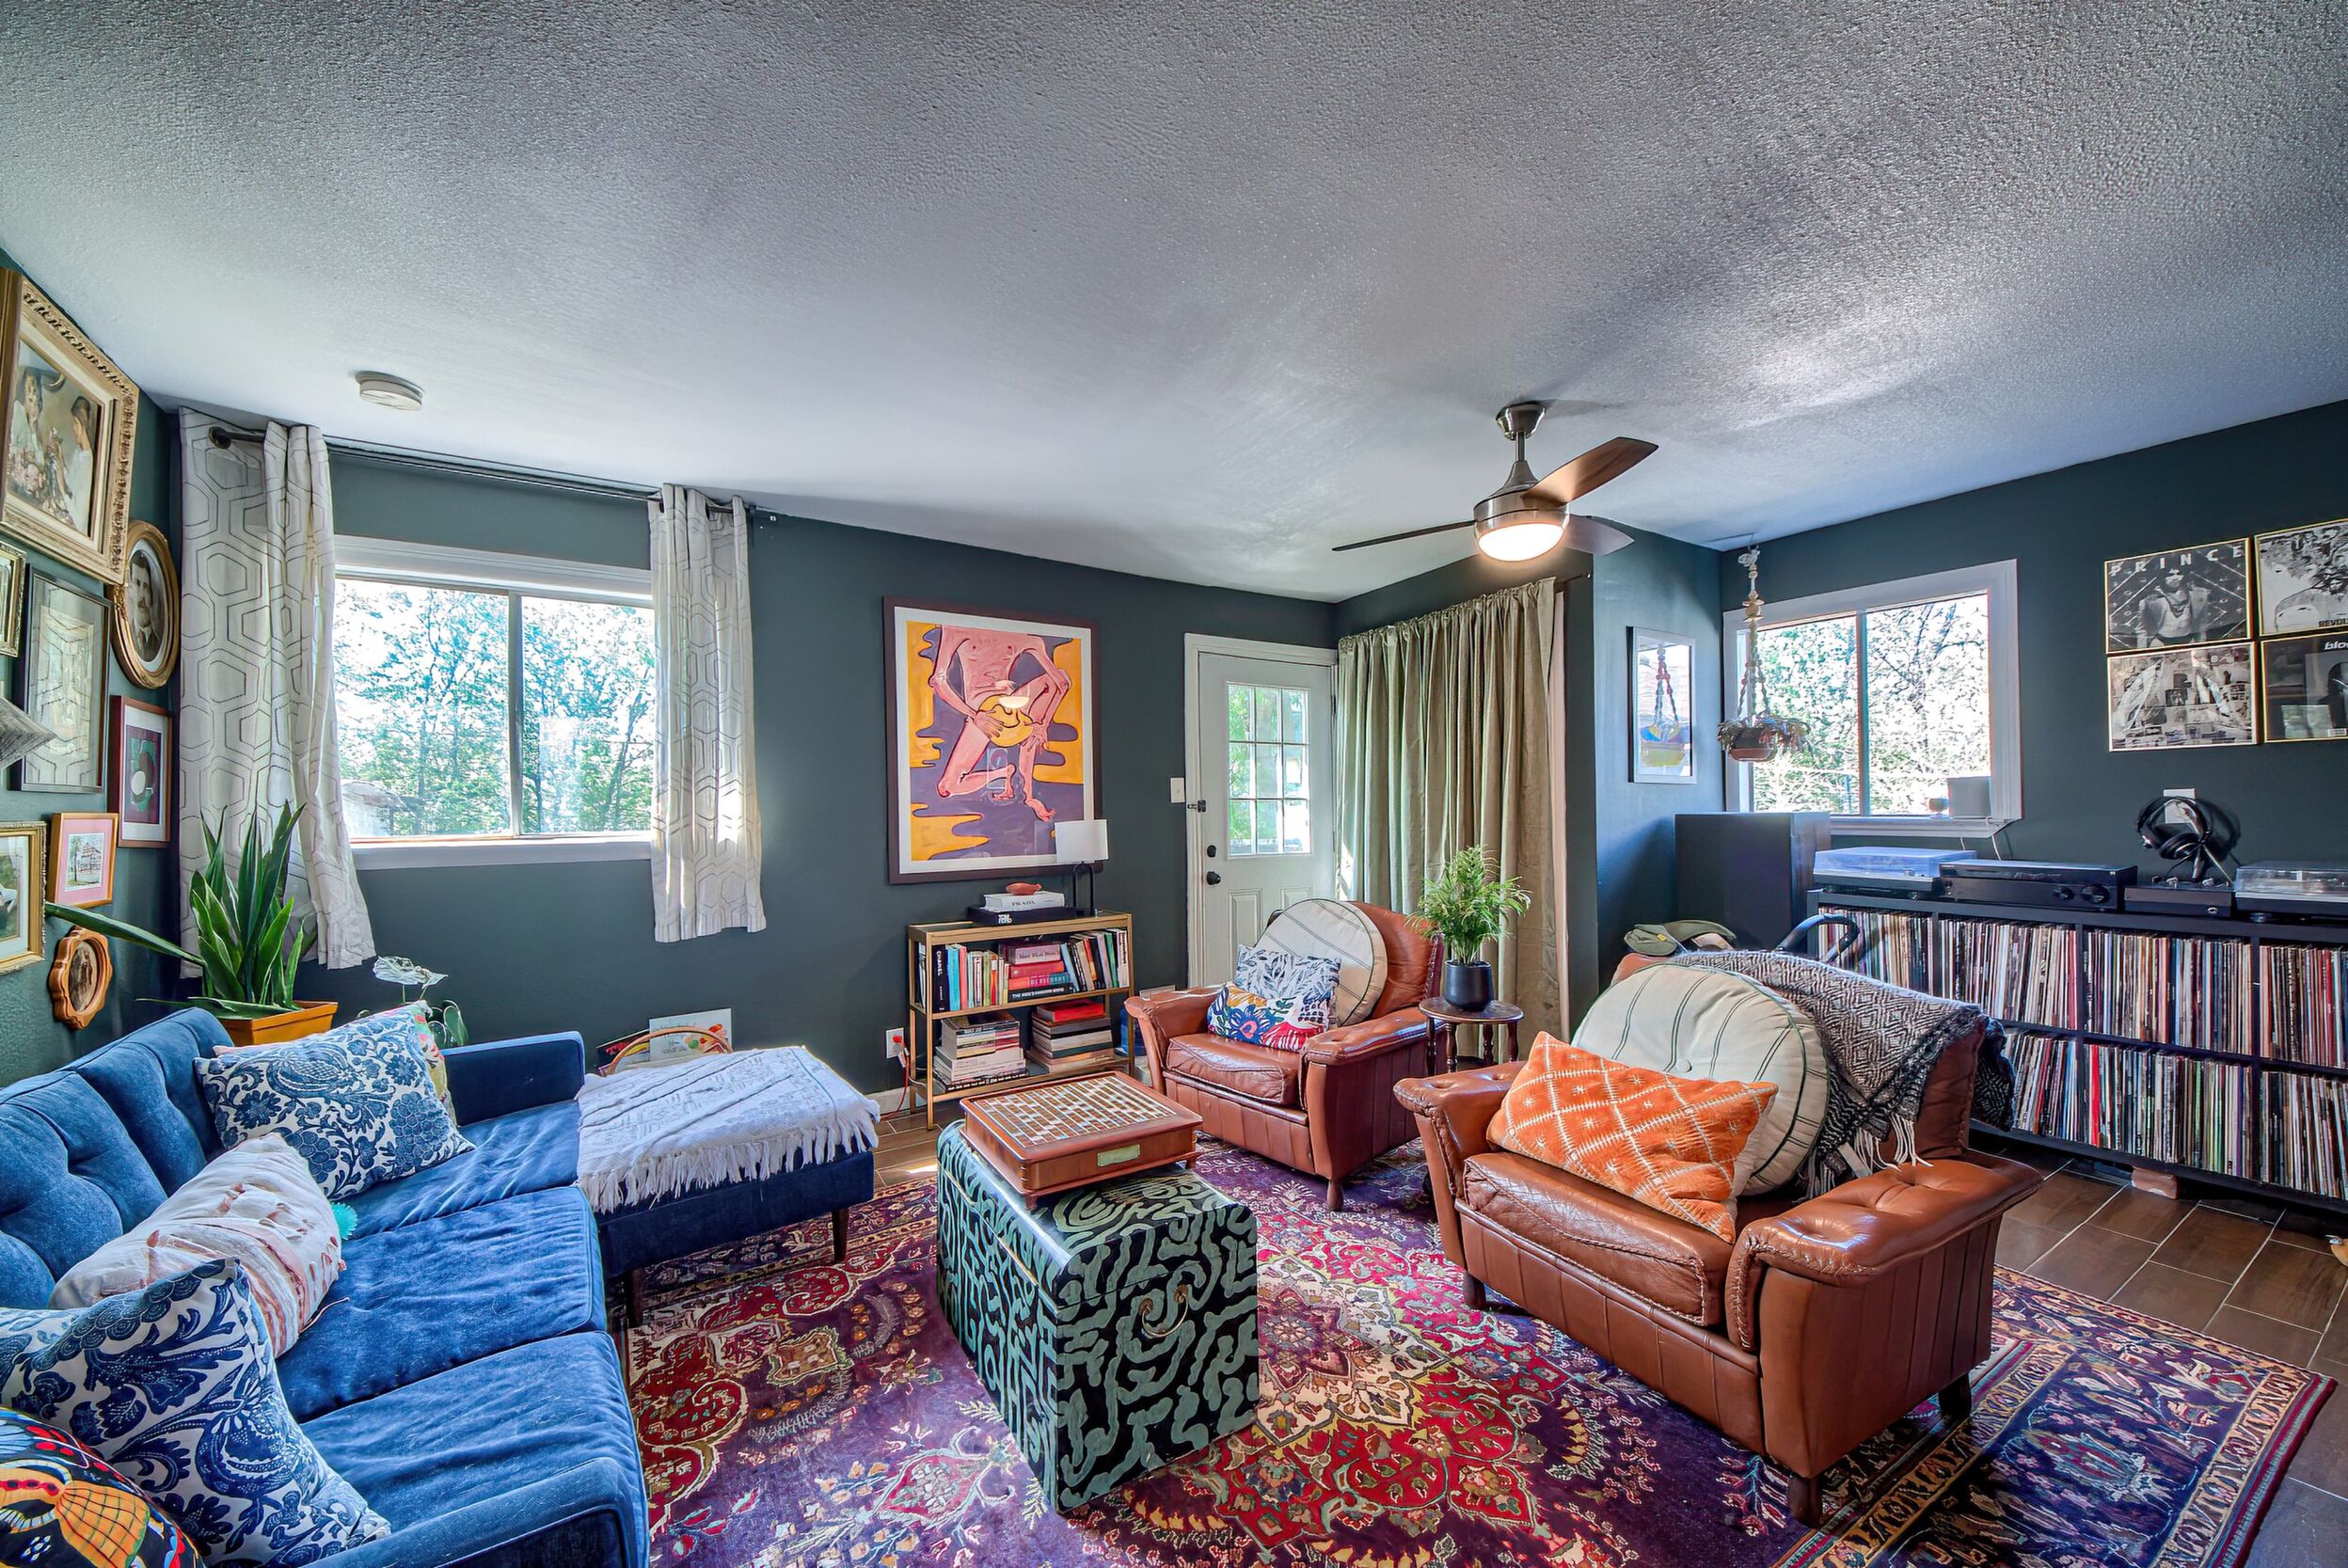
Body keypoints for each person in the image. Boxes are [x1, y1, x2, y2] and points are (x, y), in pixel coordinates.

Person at [925, 623, 1072, 825]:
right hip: (986, 713)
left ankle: (1026, 793)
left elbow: (937, 681)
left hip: (1001, 709)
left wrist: (1043, 724)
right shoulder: (959, 629)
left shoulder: (959, 628)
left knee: (948, 788)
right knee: (947, 787)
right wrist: (976, 716)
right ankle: (1008, 776)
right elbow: (1062, 682)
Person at [2137, 564, 2212, 646]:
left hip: (2189, 641)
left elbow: (2202, 624)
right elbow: (2142, 629)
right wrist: (2143, 650)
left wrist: (2201, 645)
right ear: (2162, 577)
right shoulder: (2150, 600)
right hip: (2161, 642)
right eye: (2170, 575)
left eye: (2179, 574)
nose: (2175, 578)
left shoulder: (2197, 595)